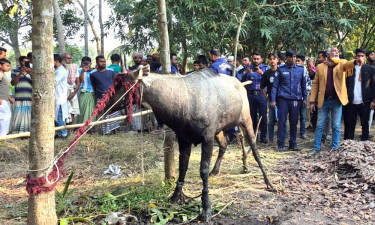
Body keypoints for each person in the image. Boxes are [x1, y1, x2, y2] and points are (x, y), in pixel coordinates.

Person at [309, 47, 356, 155]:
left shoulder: (342, 63)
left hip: (336, 101)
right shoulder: (320, 67)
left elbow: (349, 64)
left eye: (337, 51)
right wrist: (312, 101)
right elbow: (315, 84)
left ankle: (334, 148)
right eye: (334, 51)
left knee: (336, 125)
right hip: (323, 100)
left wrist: (355, 61)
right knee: (320, 125)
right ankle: (316, 148)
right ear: (328, 54)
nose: (336, 52)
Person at [271, 49, 306, 152]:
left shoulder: (301, 69)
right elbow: (275, 86)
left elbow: (303, 85)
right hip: (283, 99)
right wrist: (273, 100)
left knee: (294, 122)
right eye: (291, 57)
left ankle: (293, 144)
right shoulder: (280, 69)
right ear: (286, 58)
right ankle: (281, 144)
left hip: (296, 100)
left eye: (295, 57)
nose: (293, 59)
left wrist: (305, 98)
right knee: (282, 122)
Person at [343, 48, 375, 141]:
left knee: (365, 123)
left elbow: (373, 86)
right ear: (355, 57)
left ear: (365, 57)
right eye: (358, 56)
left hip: (365, 101)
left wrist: (373, 100)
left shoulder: (370, 69)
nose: (360, 58)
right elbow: (345, 84)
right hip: (351, 101)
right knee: (349, 123)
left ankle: (364, 142)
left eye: (362, 56)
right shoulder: (350, 69)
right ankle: (348, 143)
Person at [242, 51, 270, 145]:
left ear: (261, 59)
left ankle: (263, 137)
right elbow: (241, 82)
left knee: (263, 117)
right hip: (251, 95)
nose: (256, 60)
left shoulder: (266, 68)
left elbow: (271, 80)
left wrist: (263, 74)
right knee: (251, 117)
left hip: (262, 95)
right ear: (252, 59)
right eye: (254, 59)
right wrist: (246, 74)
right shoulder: (247, 68)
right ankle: (252, 136)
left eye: (258, 59)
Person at [90, 55, 120, 135]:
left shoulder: (111, 71)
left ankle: (115, 130)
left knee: (114, 113)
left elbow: (116, 82)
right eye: (101, 62)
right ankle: (105, 131)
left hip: (112, 96)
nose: (103, 63)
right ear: (97, 62)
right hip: (101, 96)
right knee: (104, 114)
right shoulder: (93, 74)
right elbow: (94, 85)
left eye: (104, 61)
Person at [260, 52, 279, 145]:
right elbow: (262, 87)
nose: (272, 61)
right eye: (270, 59)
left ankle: (281, 140)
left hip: (282, 100)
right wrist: (266, 96)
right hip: (271, 100)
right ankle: (271, 140)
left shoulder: (281, 71)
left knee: (282, 121)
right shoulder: (267, 73)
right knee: (271, 121)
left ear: (277, 60)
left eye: (274, 59)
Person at [10, 56, 33, 133]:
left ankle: (27, 133)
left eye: (27, 62)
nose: (25, 63)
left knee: (28, 116)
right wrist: (20, 73)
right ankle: (17, 132)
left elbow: (36, 83)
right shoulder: (15, 71)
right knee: (18, 115)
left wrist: (31, 73)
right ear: (20, 62)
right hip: (18, 97)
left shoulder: (32, 71)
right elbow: (13, 83)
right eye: (24, 61)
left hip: (29, 97)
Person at [62, 53, 80, 125]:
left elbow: (78, 82)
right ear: (63, 59)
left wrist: (73, 93)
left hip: (72, 91)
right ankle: (63, 129)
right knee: (64, 111)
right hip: (62, 93)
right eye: (67, 58)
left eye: (70, 58)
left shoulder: (74, 68)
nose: (69, 60)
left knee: (73, 111)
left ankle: (70, 129)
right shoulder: (60, 68)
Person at [76, 57, 96, 124]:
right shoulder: (79, 70)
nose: (86, 64)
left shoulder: (94, 71)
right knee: (83, 110)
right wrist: (83, 71)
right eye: (84, 62)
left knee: (92, 111)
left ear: (91, 63)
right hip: (83, 92)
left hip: (93, 93)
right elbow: (80, 81)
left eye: (88, 63)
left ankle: (91, 126)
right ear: (81, 63)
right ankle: (82, 126)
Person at [54, 54, 69, 139]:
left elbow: (54, 81)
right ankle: (60, 133)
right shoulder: (57, 70)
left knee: (59, 116)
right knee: (57, 116)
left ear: (56, 61)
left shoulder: (60, 71)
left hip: (60, 97)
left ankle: (64, 134)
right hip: (57, 96)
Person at [296, 54, 310, 139]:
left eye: (299, 61)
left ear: (303, 62)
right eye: (296, 61)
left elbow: (308, 84)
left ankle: (302, 132)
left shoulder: (305, 71)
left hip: (303, 96)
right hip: (294, 97)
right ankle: (293, 131)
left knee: (303, 116)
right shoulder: (293, 70)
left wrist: (305, 96)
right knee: (294, 115)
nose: (297, 63)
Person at [0, 59, 13, 136]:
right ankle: (3, 136)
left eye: (9, 66)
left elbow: (2, 88)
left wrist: (9, 98)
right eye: (7, 65)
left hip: (4, 99)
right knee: (6, 116)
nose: (9, 67)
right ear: (0, 66)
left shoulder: (3, 74)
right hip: (1, 100)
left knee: (4, 117)